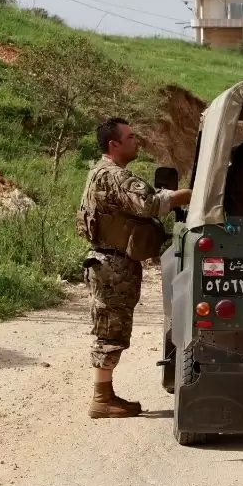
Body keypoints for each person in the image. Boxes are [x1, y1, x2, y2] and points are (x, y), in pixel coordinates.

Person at [76, 118, 192, 419]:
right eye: (129, 137)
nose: (136, 140)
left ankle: (106, 395)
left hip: (109, 261)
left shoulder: (100, 173)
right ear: (114, 144)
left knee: (112, 326)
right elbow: (151, 203)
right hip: (113, 264)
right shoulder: (114, 176)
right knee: (111, 329)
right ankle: (101, 399)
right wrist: (192, 194)